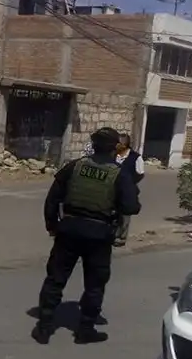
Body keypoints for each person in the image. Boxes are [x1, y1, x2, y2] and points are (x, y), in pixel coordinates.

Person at [32, 127, 141, 345]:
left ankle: (44, 327)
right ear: (114, 148)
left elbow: (53, 198)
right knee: (94, 284)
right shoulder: (119, 173)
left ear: (93, 144)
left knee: (55, 279)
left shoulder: (75, 166)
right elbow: (131, 207)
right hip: (99, 235)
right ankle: (85, 330)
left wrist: (52, 225)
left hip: (69, 230)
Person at [113, 133, 144, 247]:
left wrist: (130, 183)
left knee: (125, 214)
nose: (118, 145)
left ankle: (121, 237)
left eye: (120, 143)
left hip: (127, 189)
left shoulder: (135, 157)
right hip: (113, 188)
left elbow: (140, 173)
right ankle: (112, 233)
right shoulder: (114, 155)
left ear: (126, 144)